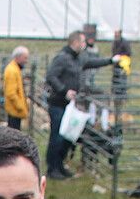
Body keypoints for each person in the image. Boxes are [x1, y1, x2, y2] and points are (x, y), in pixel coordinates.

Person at [44, 31, 117, 179]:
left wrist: (111, 61)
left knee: (67, 136)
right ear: (75, 42)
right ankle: (52, 168)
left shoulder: (78, 58)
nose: (84, 45)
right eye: (82, 42)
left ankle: (60, 165)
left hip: (70, 106)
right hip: (58, 103)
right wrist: (64, 90)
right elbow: (51, 76)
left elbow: (91, 63)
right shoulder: (62, 58)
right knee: (57, 135)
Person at [2, 47, 29, 130]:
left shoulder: (15, 69)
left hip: (15, 110)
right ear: (18, 57)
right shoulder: (12, 71)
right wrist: (21, 106)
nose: (26, 61)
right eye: (25, 58)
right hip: (14, 110)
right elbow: (11, 93)